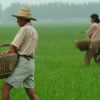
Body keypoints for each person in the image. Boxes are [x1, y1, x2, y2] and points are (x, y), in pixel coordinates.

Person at [2, 6, 38, 100]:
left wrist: (13, 58)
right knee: (31, 93)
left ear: (23, 19)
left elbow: (13, 46)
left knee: (5, 87)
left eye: (18, 18)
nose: (17, 21)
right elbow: (25, 47)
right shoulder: (33, 30)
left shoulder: (24, 29)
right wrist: (15, 52)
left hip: (24, 63)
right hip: (30, 64)